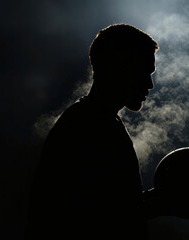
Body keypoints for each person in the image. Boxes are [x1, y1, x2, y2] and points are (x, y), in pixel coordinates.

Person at [26, 24, 159, 240]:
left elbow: (105, 207)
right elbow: (89, 222)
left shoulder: (92, 121)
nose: (150, 84)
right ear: (122, 68)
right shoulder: (89, 127)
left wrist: (151, 202)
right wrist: (156, 205)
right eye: (144, 72)